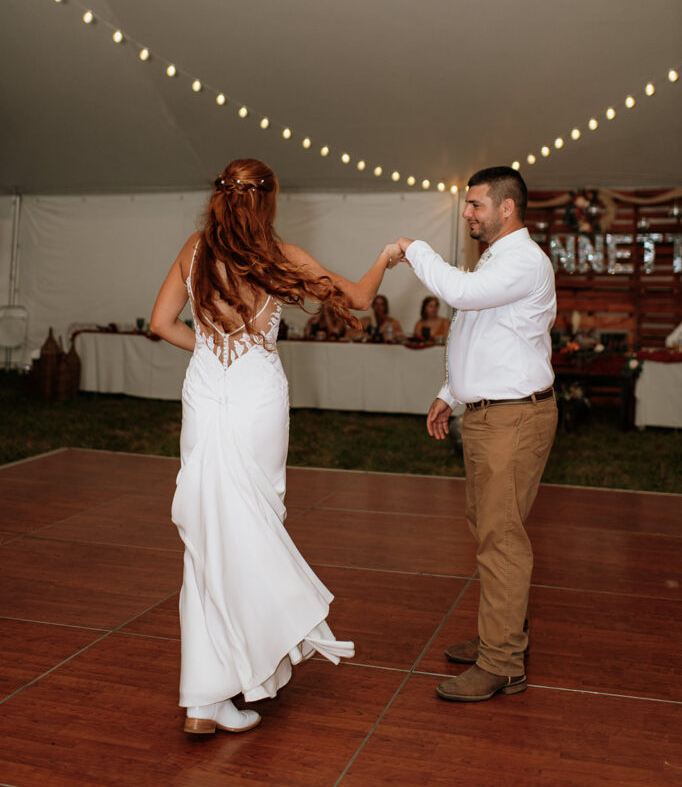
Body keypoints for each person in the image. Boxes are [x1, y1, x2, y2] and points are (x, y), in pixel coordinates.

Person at [150, 158, 402, 734]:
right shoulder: (282, 257)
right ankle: (230, 678)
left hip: (207, 391)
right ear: (267, 201)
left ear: (220, 198)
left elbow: (162, 323)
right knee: (252, 524)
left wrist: (212, 352)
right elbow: (359, 300)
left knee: (209, 537)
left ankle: (204, 699)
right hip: (258, 398)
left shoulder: (196, 250)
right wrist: (386, 258)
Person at [394, 166, 557, 703]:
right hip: (492, 414)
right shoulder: (499, 260)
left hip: (513, 418)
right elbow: (478, 332)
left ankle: (503, 663)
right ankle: (502, 636)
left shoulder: (524, 260)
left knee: (501, 538)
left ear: (506, 208)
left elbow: (459, 297)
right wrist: (452, 390)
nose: (467, 213)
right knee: (491, 529)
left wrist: (414, 248)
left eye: (475, 205)